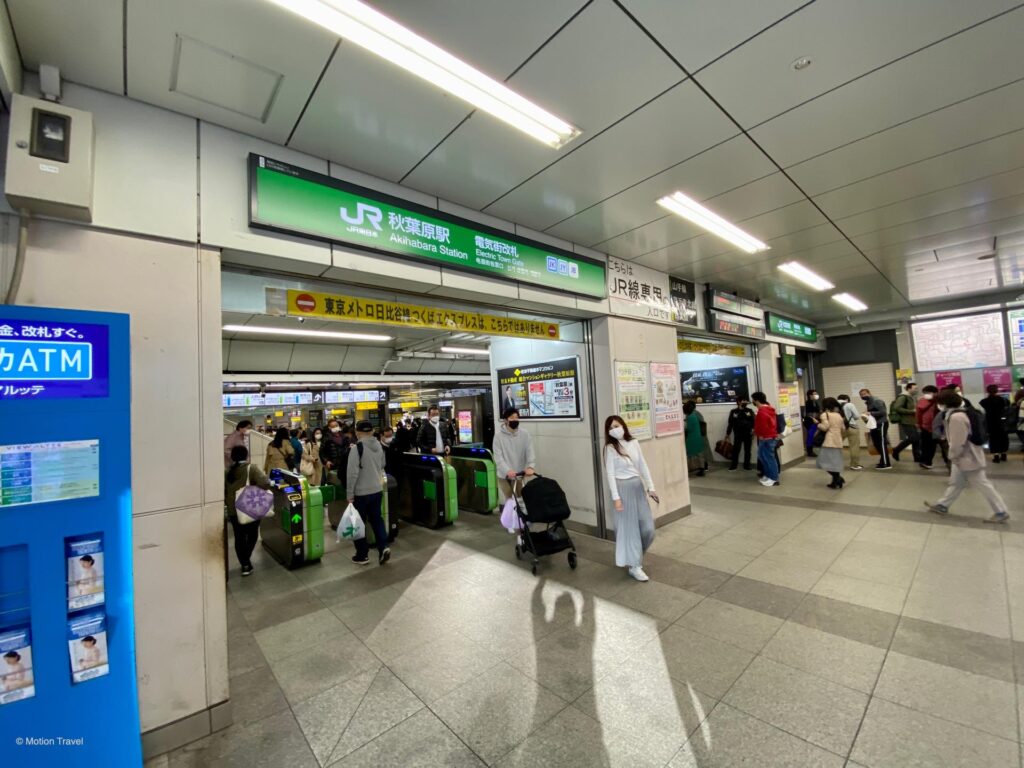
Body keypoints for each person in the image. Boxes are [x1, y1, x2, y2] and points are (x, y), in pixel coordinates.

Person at [924, 390, 1010, 523]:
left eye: (939, 403)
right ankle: (943, 505)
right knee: (956, 483)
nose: (937, 405)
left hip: (967, 458)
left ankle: (1001, 511)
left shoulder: (956, 417)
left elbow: (958, 442)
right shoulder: (956, 413)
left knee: (982, 484)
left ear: (945, 403)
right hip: (964, 457)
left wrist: (952, 456)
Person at [603, 415, 658, 582]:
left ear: (623, 426)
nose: (614, 429)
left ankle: (634, 556)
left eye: (616, 425)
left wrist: (651, 487)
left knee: (648, 529)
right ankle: (635, 566)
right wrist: (616, 498)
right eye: (610, 428)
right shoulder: (610, 448)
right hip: (622, 488)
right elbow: (610, 474)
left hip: (637, 488)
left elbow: (643, 465)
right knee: (630, 531)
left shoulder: (633, 442)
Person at [346, 420, 391, 565]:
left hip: (361, 492)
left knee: (358, 523)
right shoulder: (378, 445)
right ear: (372, 431)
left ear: (357, 432)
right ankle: (383, 547)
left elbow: (352, 473)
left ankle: (362, 555)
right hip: (376, 490)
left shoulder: (356, 448)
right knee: (377, 519)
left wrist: (349, 494)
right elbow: (383, 464)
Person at [225, 445, 272, 576]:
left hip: (233, 510)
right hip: (250, 508)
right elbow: (265, 483)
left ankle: (245, 564)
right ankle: (246, 560)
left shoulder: (227, 471)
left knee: (239, 537)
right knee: (252, 535)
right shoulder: (251, 468)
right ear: (246, 455)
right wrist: (252, 487)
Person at [493, 408, 536, 502]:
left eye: (516, 418)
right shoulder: (498, 437)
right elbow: (498, 457)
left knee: (521, 500)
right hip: (504, 476)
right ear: (505, 420)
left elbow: (529, 451)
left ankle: (521, 517)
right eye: (512, 418)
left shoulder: (525, 434)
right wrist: (507, 470)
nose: (515, 420)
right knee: (511, 502)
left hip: (519, 474)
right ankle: (508, 516)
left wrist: (531, 466)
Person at [816, 397, 847, 489]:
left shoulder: (825, 415)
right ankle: (836, 481)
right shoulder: (838, 415)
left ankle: (838, 478)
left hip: (829, 441)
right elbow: (843, 429)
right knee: (834, 463)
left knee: (822, 462)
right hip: (838, 441)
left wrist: (817, 424)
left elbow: (825, 427)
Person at [751, 391, 780, 487]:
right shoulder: (769, 409)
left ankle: (774, 478)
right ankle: (768, 476)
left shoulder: (762, 411)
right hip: (769, 437)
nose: (753, 402)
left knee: (769, 458)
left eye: (753, 400)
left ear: (757, 400)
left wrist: (756, 433)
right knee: (764, 457)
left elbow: (762, 426)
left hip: (766, 438)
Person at [859, 388, 891, 469]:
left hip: (881, 423)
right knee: (876, 443)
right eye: (861, 395)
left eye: (864, 394)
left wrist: (870, 413)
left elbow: (883, 412)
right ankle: (883, 460)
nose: (863, 396)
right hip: (874, 424)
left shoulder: (877, 400)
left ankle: (886, 463)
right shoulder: (868, 402)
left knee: (882, 443)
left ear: (869, 393)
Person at [891, 383, 920, 463]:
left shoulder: (911, 397)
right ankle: (896, 450)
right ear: (909, 389)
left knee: (917, 439)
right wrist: (911, 411)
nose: (916, 390)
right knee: (913, 438)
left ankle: (917, 457)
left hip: (912, 421)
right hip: (905, 421)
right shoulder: (903, 397)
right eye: (915, 388)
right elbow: (897, 408)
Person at [980, 384, 1009, 463]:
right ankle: (1004, 455)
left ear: (987, 391)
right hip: (1002, 422)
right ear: (997, 390)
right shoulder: (1004, 400)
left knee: (993, 439)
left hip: (991, 423)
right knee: (1003, 438)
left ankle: (996, 456)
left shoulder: (984, 402)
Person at [726, 396, 755, 471]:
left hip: (748, 434)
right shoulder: (733, 411)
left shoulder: (749, 411)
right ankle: (733, 466)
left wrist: (753, 432)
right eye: (743, 400)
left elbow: (753, 422)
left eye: (745, 400)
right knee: (736, 450)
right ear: (738, 402)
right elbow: (730, 423)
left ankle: (747, 466)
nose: (745, 402)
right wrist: (727, 434)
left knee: (748, 450)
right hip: (738, 434)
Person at [836, 394, 865, 470]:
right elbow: (857, 416)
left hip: (840, 428)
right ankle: (854, 465)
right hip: (852, 427)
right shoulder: (849, 405)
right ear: (846, 399)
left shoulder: (834, 404)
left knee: (836, 446)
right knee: (854, 446)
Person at [319, 418, 351, 485]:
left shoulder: (344, 436)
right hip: (333, 463)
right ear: (329, 428)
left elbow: (348, 447)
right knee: (334, 481)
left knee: (344, 480)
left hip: (344, 463)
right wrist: (326, 461)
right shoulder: (327, 438)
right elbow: (321, 451)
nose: (335, 427)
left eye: (336, 425)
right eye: (333, 426)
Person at [915, 385, 939, 470]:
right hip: (926, 426)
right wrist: (918, 424)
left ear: (935, 393)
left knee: (930, 445)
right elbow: (918, 413)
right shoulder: (922, 401)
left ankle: (926, 461)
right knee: (927, 445)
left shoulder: (939, 400)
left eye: (928, 393)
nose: (926, 394)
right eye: (925, 393)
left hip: (935, 426)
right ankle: (926, 461)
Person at [683, 401, 705, 476]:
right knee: (699, 453)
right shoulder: (694, 415)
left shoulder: (689, 417)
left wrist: (684, 427)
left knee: (688, 453)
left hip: (692, 437)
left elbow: (689, 428)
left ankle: (689, 468)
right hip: (698, 436)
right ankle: (702, 469)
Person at [803, 389, 822, 457]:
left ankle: (812, 450)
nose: (816, 395)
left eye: (816, 393)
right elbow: (808, 414)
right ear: (810, 395)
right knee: (810, 436)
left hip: (815, 421)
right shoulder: (808, 403)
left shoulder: (816, 402)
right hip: (810, 422)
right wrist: (814, 418)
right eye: (814, 394)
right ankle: (809, 451)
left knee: (813, 435)